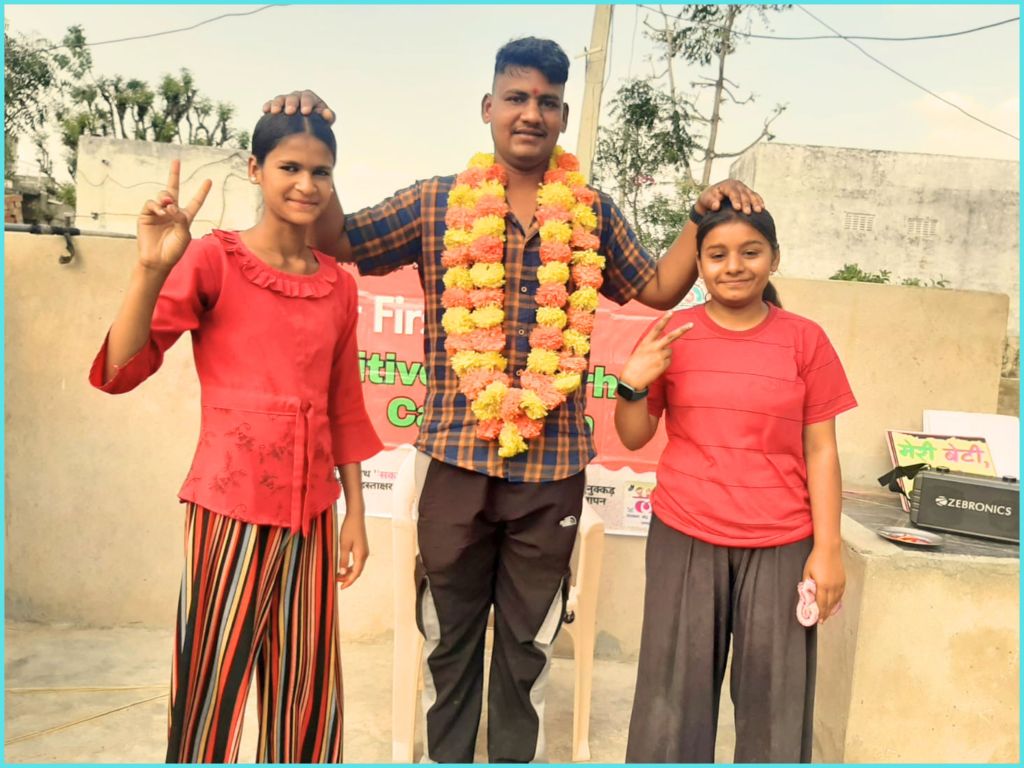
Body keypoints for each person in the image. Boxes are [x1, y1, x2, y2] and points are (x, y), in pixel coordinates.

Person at [266, 36, 763, 763]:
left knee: (528, 647)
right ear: (488, 108)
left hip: (553, 470)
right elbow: (343, 239)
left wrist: (701, 215)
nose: (532, 114)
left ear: (563, 117)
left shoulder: (589, 211)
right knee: (448, 635)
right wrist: (311, 131)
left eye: (548, 103)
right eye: (518, 98)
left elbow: (655, 289)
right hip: (456, 463)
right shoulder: (438, 201)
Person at [88, 112, 382, 762]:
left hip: (312, 519)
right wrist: (149, 269)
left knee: (306, 700)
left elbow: (344, 406)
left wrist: (355, 512)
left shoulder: (337, 286)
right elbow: (121, 368)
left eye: (321, 172)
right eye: (290, 167)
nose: (307, 184)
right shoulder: (215, 260)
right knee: (209, 692)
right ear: (254, 170)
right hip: (229, 511)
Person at [614, 200, 856, 763]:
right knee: (671, 701)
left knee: (775, 703)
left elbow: (821, 449)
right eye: (717, 255)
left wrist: (828, 548)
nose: (734, 266)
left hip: (781, 544)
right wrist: (630, 382)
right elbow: (632, 436)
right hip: (685, 536)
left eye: (751, 252)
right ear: (698, 263)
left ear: (774, 258)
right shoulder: (673, 333)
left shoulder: (805, 340)